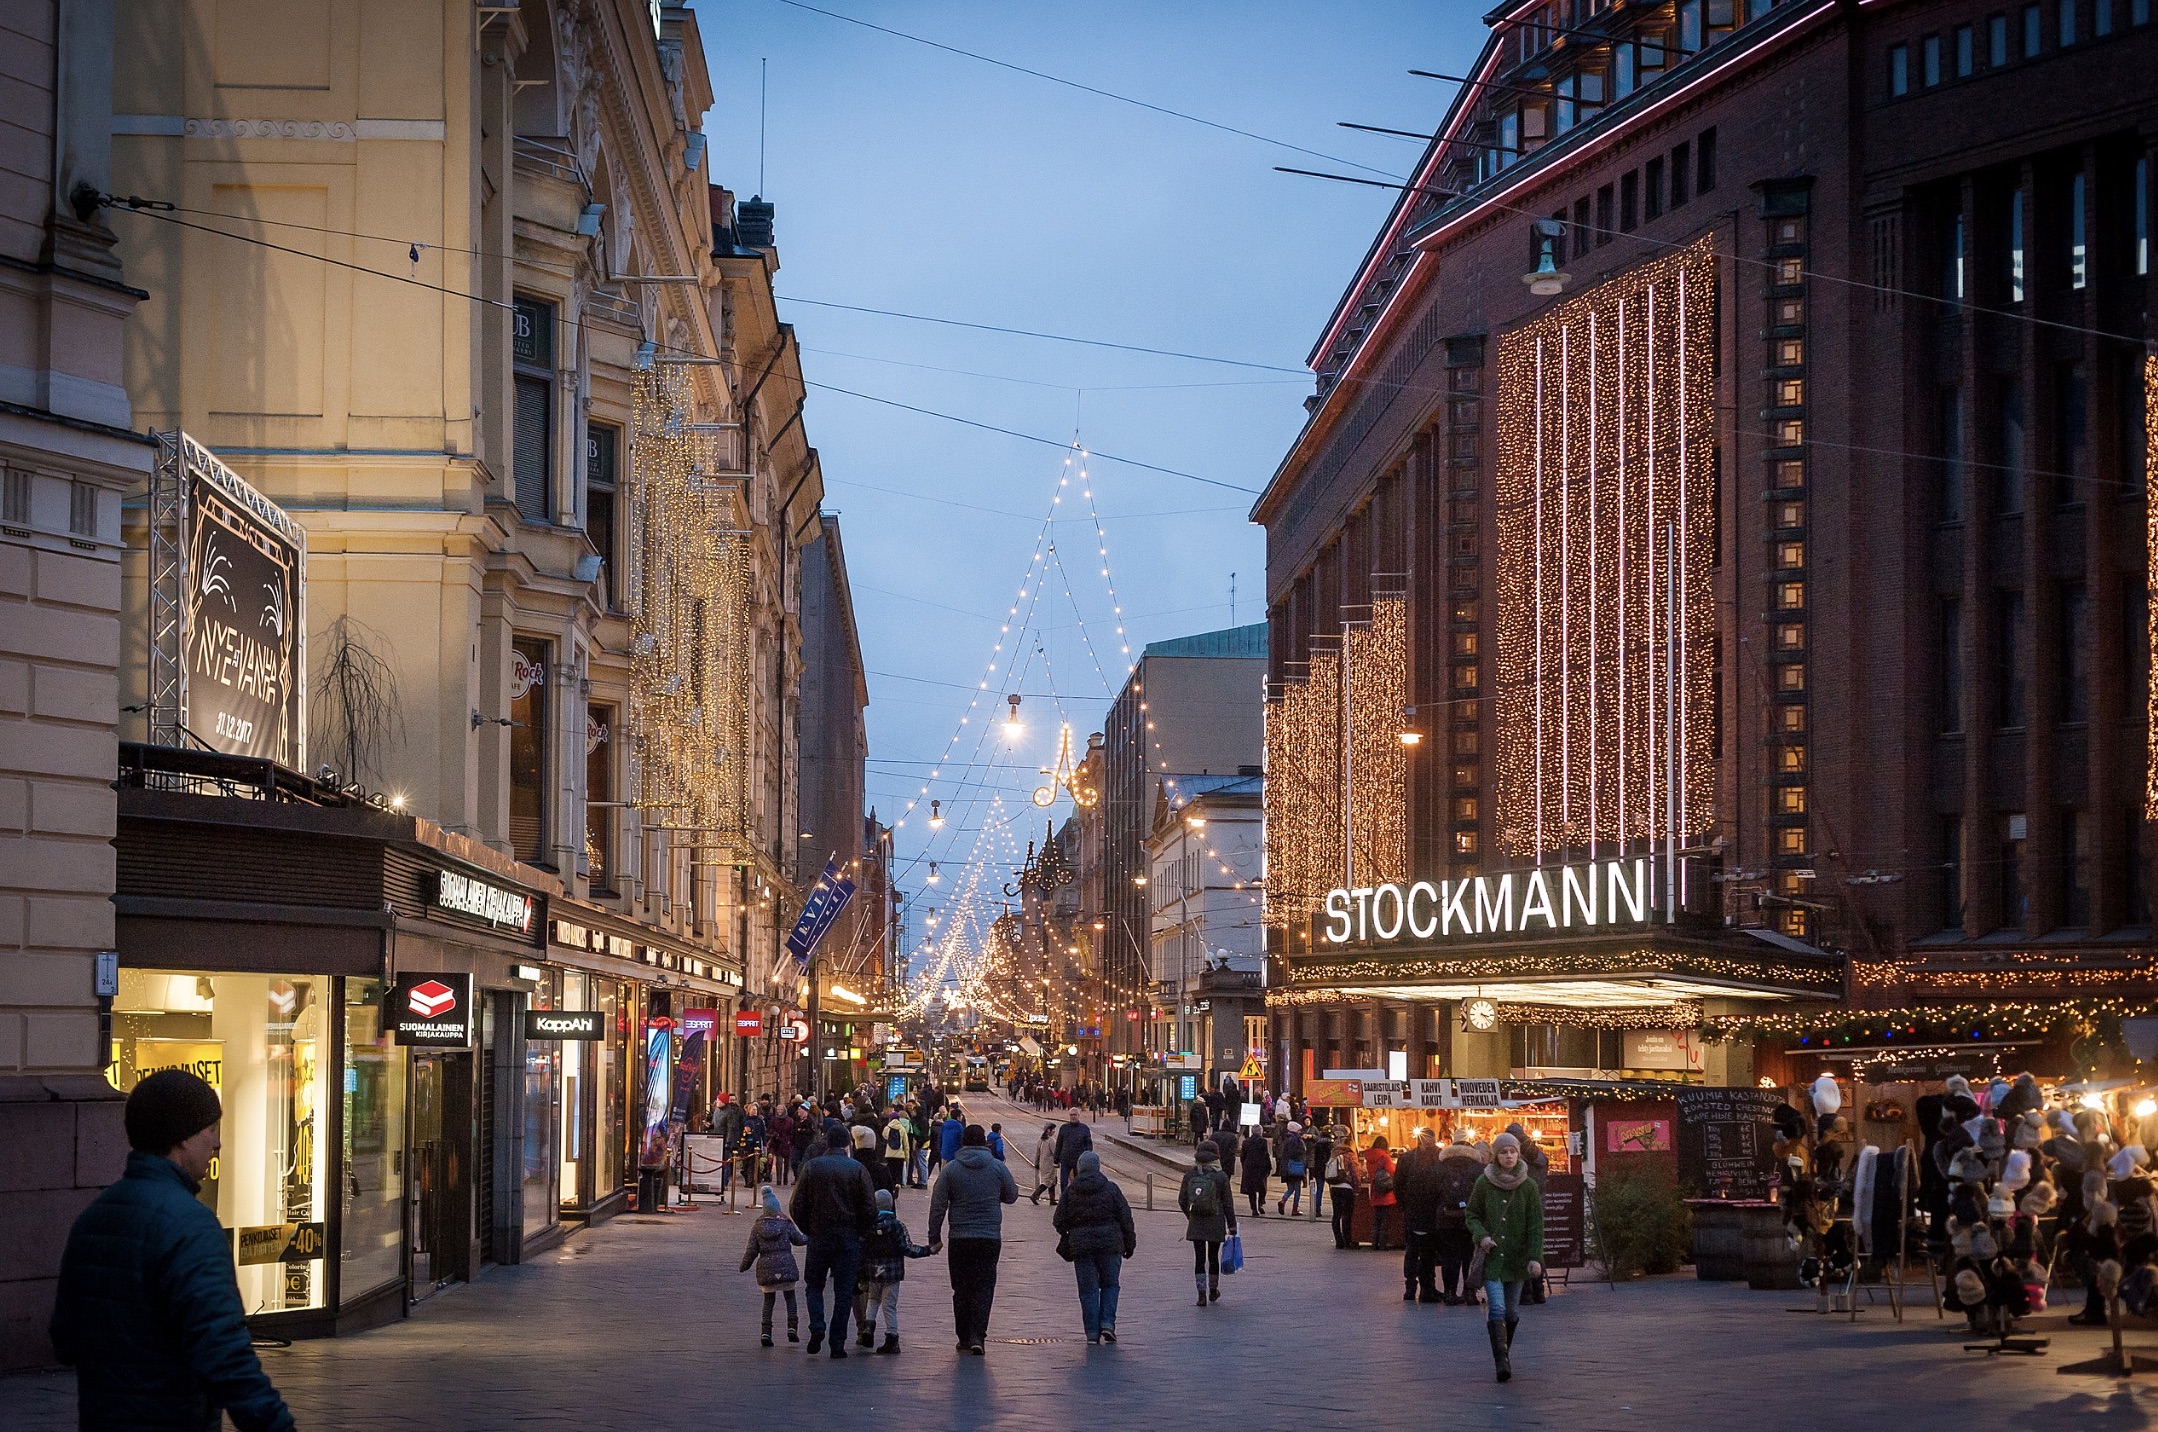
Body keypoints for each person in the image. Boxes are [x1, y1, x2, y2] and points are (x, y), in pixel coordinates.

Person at [51, 1069, 295, 1432]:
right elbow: (225, 1354)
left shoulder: (94, 1217)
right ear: (182, 1139)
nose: (216, 1144)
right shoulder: (190, 1226)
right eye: (210, 1130)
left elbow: (64, 1340)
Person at [927, 1124, 1020, 1355]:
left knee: (960, 1288)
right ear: (984, 1143)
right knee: (984, 1287)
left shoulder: (951, 1170)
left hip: (959, 1237)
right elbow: (1012, 1196)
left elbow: (938, 1205)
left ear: (963, 1142)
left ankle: (964, 1337)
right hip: (989, 1237)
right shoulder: (997, 1167)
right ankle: (978, 1336)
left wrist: (934, 1236)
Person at [790, 1117, 878, 1358]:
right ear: (848, 1144)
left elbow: (796, 1205)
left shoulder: (813, 1166)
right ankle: (837, 1343)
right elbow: (870, 1208)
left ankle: (817, 1326)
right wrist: (859, 1231)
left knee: (814, 1286)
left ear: (826, 1142)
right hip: (848, 1237)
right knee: (844, 1290)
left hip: (819, 1235)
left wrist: (808, 1228)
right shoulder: (858, 1169)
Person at [1467, 1131, 1546, 1383]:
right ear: (1496, 1156)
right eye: (1503, 1152)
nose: (1509, 1156)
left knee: (1511, 1312)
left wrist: (1535, 1257)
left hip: (1517, 1259)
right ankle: (1501, 1361)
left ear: (1518, 1154)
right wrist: (1481, 1236)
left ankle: (1504, 1353)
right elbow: (1472, 1214)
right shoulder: (1483, 1183)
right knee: (1498, 1307)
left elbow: (1536, 1225)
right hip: (1493, 1259)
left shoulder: (1529, 1186)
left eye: (1512, 1151)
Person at [1052, 1150, 1137, 1344]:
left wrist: (1071, 1232)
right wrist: (1129, 1243)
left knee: (1088, 1289)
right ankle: (1107, 1323)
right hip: (1110, 1245)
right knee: (1110, 1284)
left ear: (1080, 1168)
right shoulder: (1111, 1188)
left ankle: (1091, 1332)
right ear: (1098, 1167)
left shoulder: (1070, 1191)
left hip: (1082, 1247)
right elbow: (1126, 1219)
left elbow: (1058, 1220)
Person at [854, 1189, 932, 1354]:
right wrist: (928, 1250)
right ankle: (892, 1337)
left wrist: (861, 1273)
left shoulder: (868, 1225)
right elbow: (907, 1248)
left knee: (873, 1300)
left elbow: (861, 1249)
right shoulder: (897, 1225)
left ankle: (868, 1327)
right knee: (889, 1305)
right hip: (893, 1272)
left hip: (873, 1270)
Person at [741, 1184, 809, 1346]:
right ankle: (792, 1328)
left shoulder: (758, 1226)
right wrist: (810, 1236)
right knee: (790, 1297)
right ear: (778, 1208)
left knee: (768, 1300)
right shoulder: (786, 1223)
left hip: (766, 1269)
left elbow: (751, 1250)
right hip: (787, 1266)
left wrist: (744, 1265)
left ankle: (766, 1332)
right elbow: (799, 1240)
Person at [1180, 1139, 1239, 1306]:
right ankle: (1213, 1291)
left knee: (1199, 1258)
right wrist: (1232, 1224)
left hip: (1196, 1221)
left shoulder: (1190, 1174)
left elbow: (1182, 1200)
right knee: (1213, 1257)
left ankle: (1201, 1295)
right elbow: (1228, 1203)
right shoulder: (1221, 1176)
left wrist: (1190, 1215)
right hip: (1215, 1220)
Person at [1393, 1126, 1446, 1302]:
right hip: (1421, 1212)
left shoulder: (1412, 1158)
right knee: (1420, 1252)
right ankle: (1419, 1288)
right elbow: (1399, 1185)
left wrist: (1404, 1206)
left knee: (1422, 1252)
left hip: (1421, 1212)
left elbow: (1398, 1185)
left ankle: (1424, 1288)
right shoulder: (1436, 1159)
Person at [1434, 1133, 1486, 1304]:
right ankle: (1469, 1293)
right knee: (1469, 1257)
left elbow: (1430, 1193)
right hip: (1471, 1219)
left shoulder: (1439, 1167)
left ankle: (1449, 1293)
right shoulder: (1478, 1168)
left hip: (1445, 1219)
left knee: (1449, 1257)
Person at [1327, 1124, 1361, 1248]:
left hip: (1334, 1187)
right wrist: (1357, 1189)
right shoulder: (1350, 1155)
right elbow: (1355, 1173)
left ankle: (1338, 1241)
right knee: (1347, 1215)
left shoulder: (1334, 1153)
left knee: (1336, 1214)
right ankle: (1348, 1240)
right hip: (1346, 1188)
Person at [1364, 1135, 1399, 1251]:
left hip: (1375, 1189)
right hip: (1385, 1191)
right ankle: (1382, 1243)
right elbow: (1393, 1172)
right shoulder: (1385, 1157)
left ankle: (1374, 1243)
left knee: (1376, 1219)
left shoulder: (1368, 1157)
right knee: (1384, 1219)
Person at [1053, 1106, 1093, 1199]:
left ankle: (1077, 1197)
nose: (1073, 1117)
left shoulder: (1084, 1128)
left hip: (1078, 1160)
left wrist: (1087, 1157)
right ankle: (1064, 1198)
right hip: (1065, 1159)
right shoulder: (1064, 1128)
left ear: (1079, 1116)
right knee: (1063, 1181)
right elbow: (1059, 1144)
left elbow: (1089, 1145)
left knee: (1078, 1181)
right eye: (1071, 1115)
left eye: (1075, 1115)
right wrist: (1056, 1159)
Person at [1239, 1119, 1272, 1216]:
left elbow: (1242, 1156)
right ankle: (1261, 1203)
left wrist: (1244, 1165)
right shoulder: (1263, 1141)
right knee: (1262, 1188)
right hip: (1260, 1167)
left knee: (1251, 1190)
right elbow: (1266, 1155)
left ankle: (1254, 1209)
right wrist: (1268, 1166)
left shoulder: (1246, 1142)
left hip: (1249, 1167)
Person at [1277, 1121, 1310, 1217]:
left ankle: (1283, 1200)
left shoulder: (1287, 1139)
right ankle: (1294, 1209)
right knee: (1297, 1189)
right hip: (1295, 1166)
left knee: (1291, 1188)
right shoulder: (1296, 1140)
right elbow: (1296, 1153)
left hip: (1287, 1167)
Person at [1030, 1121, 1059, 1205]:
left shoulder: (1041, 1140)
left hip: (1043, 1164)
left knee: (1052, 1181)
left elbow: (1037, 1153)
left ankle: (1052, 1199)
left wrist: (1036, 1163)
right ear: (1048, 1130)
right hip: (1050, 1165)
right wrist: (1058, 1161)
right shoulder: (1051, 1140)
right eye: (1053, 1129)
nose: (1054, 1131)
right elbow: (1055, 1153)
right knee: (1047, 1182)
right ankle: (1035, 1195)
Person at [882, 1112, 913, 1192]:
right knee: (898, 1172)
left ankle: (890, 1186)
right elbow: (906, 1144)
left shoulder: (887, 1128)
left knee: (890, 1171)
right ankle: (897, 1185)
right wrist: (907, 1157)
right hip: (900, 1155)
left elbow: (884, 1136)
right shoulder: (902, 1129)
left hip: (889, 1154)